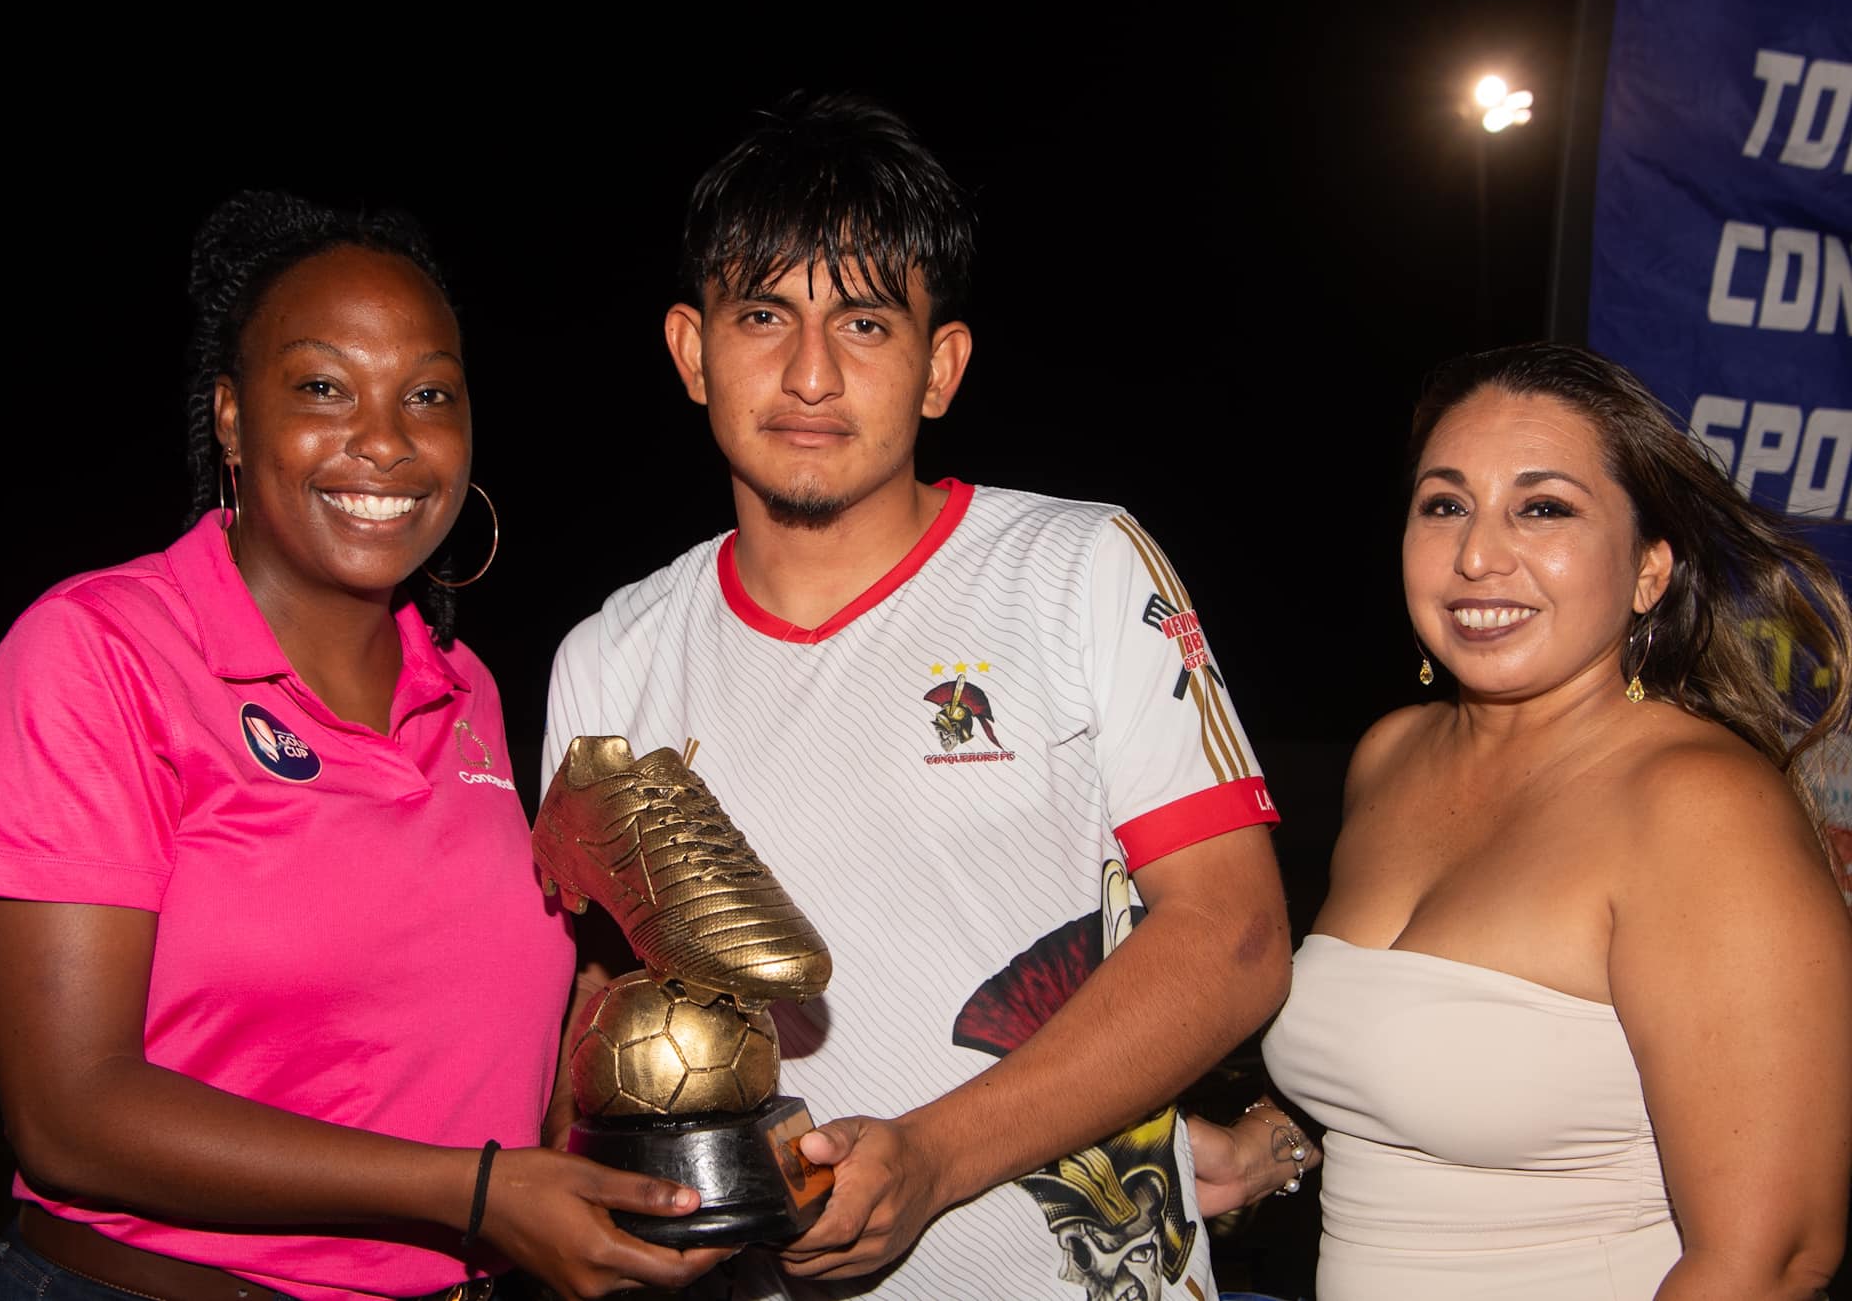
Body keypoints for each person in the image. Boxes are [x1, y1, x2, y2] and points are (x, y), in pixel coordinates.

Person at [541, 93, 1291, 1300]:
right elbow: (593, 1003)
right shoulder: (609, 656)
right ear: (690, 351)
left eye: (864, 323)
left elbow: (1236, 938)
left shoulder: (1077, 567)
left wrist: (936, 1157)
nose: (809, 374)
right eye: (762, 316)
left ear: (938, 368)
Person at [0, 191, 727, 1301]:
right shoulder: (97, 652)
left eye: (427, 395)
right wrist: (475, 1193)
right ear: (229, 416)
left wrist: (604, 1122)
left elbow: (450, 1034)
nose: (385, 441)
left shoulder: (465, 688)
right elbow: (70, 1114)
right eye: (322, 387)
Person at [1193, 343, 1852, 1297]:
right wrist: (1266, 1146)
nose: (1477, 555)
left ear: (1650, 570)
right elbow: (1421, 1059)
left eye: (1543, 508)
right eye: (1444, 505)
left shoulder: (1702, 807)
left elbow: (1772, 1258)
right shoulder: (1393, 756)